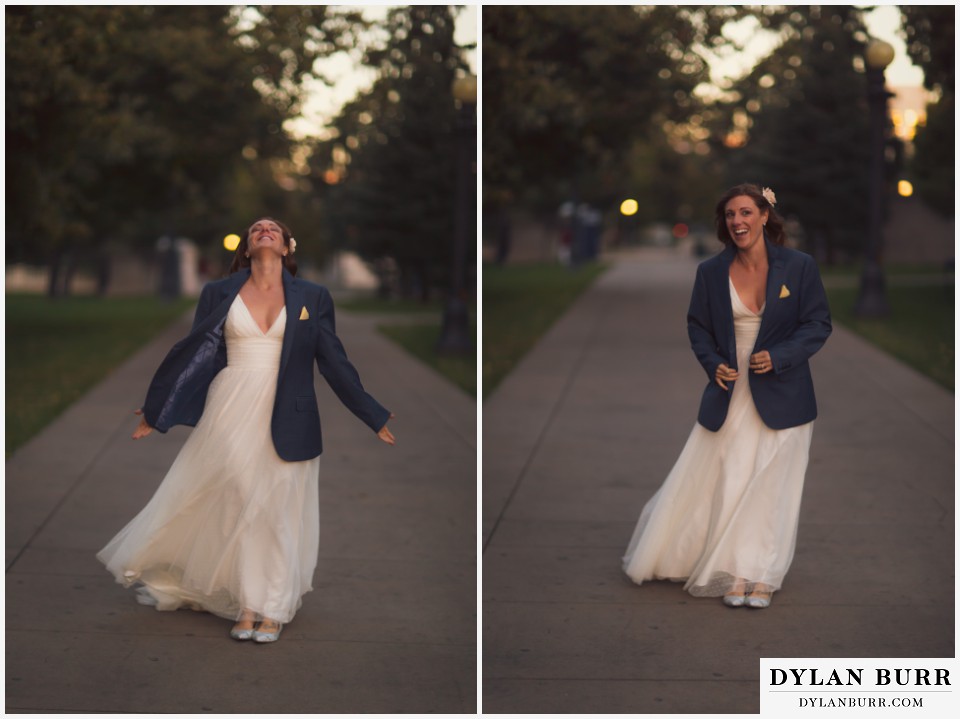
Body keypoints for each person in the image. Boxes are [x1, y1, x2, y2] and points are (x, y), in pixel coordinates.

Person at [97, 217, 395, 642]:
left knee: (275, 510)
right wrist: (160, 408)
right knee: (239, 498)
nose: (264, 229)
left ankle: (266, 607)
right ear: (247, 247)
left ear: (288, 246)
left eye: (273, 227)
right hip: (230, 408)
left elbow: (333, 359)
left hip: (290, 413)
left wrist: (371, 412)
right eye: (256, 228)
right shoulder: (218, 292)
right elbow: (199, 353)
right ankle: (248, 600)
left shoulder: (313, 295)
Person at [621, 184, 831, 609]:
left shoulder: (800, 266)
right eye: (731, 215)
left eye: (746, 213)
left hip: (785, 391)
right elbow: (697, 326)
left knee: (772, 486)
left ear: (765, 216)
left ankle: (764, 573)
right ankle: (735, 571)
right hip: (731, 389)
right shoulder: (711, 273)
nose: (738, 221)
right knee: (734, 478)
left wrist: (780, 356)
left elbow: (817, 324)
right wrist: (712, 361)